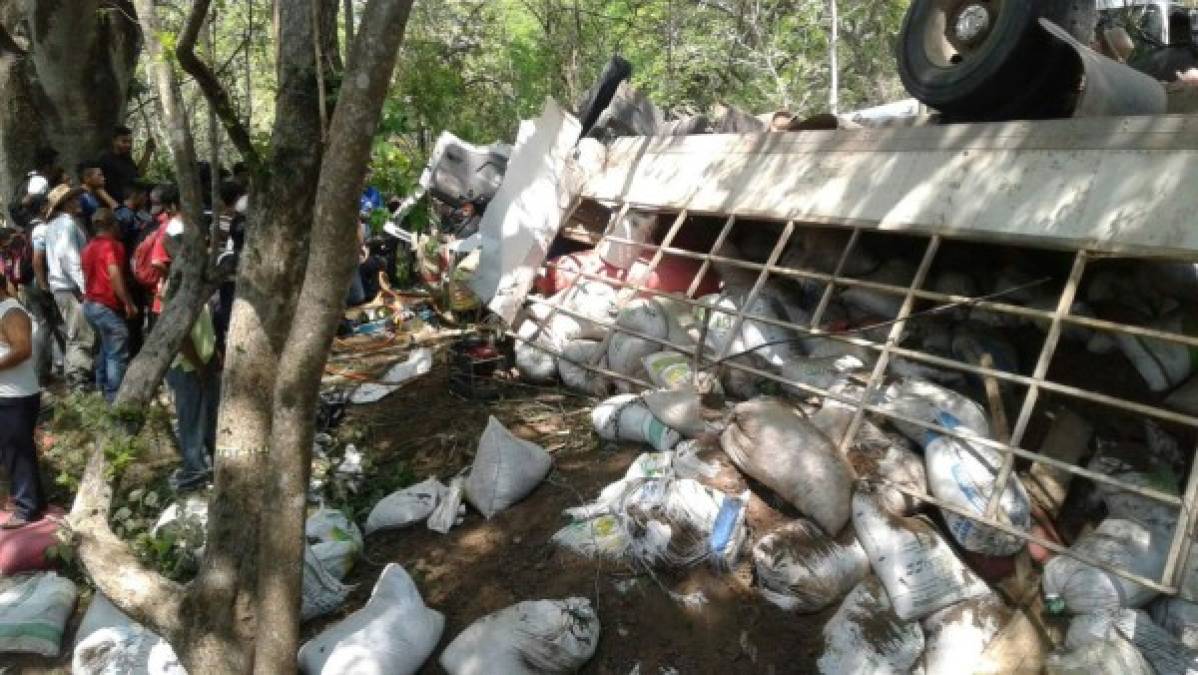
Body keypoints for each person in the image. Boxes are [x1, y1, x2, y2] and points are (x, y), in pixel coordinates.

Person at [0, 268, 46, 529]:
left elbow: (23, 349)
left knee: (18, 451)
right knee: (13, 450)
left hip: (16, 396)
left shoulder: (11, 311)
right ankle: (32, 500)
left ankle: (27, 507)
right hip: (7, 394)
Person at [43, 184, 95, 389]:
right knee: (80, 334)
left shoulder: (54, 226)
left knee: (75, 332)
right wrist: (83, 288)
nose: (78, 202)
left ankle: (76, 376)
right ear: (66, 204)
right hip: (70, 287)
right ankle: (77, 380)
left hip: (62, 286)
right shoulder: (66, 226)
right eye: (74, 199)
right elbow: (69, 259)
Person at [81, 210, 136, 403]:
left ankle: (101, 390)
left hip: (90, 305)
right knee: (116, 352)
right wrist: (128, 302)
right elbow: (114, 275)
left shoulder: (88, 247)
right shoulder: (112, 246)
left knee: (105, 347)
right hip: (105, 305)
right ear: (113, 225)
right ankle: (115, 399)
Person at [166, 296, 219, 492]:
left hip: (202, 363)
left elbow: (204, 328)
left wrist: (212, 355)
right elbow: (181, 336)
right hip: (188, 367)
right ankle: (195, 474)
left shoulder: (201, 291)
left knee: (209, 420)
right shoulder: (180, 292)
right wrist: (198, 365)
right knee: (191, 422)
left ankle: (209, 468)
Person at [97, 125, 152, 204]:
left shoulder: (126, 158)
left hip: (134, 199)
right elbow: (99, 187)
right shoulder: (106, 159)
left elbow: (138, 175)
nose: (128, 145)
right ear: (114, 141)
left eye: (130, 142)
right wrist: (113, 203)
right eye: (124, 141)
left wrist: (148, 152)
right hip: (119, 202)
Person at [77, 162, 118, 233]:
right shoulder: (85, 198)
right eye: (99, 175)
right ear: (87, 178)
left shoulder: (95, 193)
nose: (104, 178)